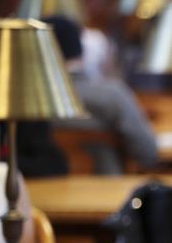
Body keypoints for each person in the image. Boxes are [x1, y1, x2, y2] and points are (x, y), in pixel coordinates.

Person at [41, 15, 159, 174]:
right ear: (81, 50)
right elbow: (148, 153)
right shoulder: (112, 95)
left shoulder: (30, 103)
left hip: (43, 194)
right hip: (109, 193)